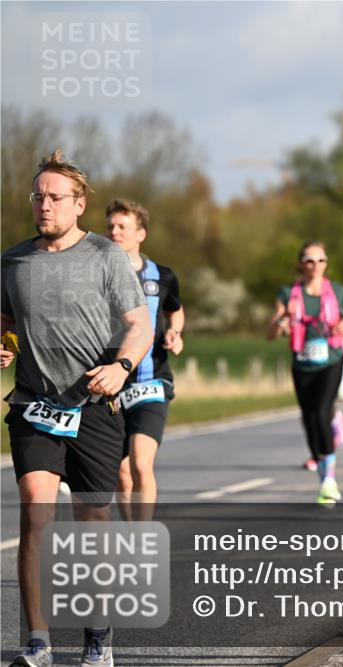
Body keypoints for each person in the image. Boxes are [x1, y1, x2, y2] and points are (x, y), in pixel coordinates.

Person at [2, 150, 153, 667]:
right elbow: (5, 320)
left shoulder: (106, 256)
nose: (44, 205)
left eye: (55, 197)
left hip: (93, 403)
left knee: (92, 522)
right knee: (35, 510)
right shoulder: (13, 261)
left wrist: (122, 368)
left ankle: (97, 635)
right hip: (33, 402)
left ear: (78, 204)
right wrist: (5, 343)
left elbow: (139, 325)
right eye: (38, 196)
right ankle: (37, 641)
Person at [105, 199, 184, 522]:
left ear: (141, 234)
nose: (114, 231)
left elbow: (175, 311)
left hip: (151, 383)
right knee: (122, 473)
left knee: (140, 462)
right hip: (111, 387)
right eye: (110, 226)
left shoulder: (161, 276)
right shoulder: (96, 275)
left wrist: (175, 332)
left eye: (122, 226)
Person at [268, 241, 343, 505]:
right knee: (309, 419)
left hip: (331, 360)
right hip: (302, 364)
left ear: (326, 263)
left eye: (320, 260)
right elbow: (271, 332)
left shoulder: (338, 291)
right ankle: (322, 474)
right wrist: (281, 322)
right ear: (301, 264)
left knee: (320, 412)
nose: (315, 265)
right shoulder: (288, 294)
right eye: (310, 260)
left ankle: (330, 478)